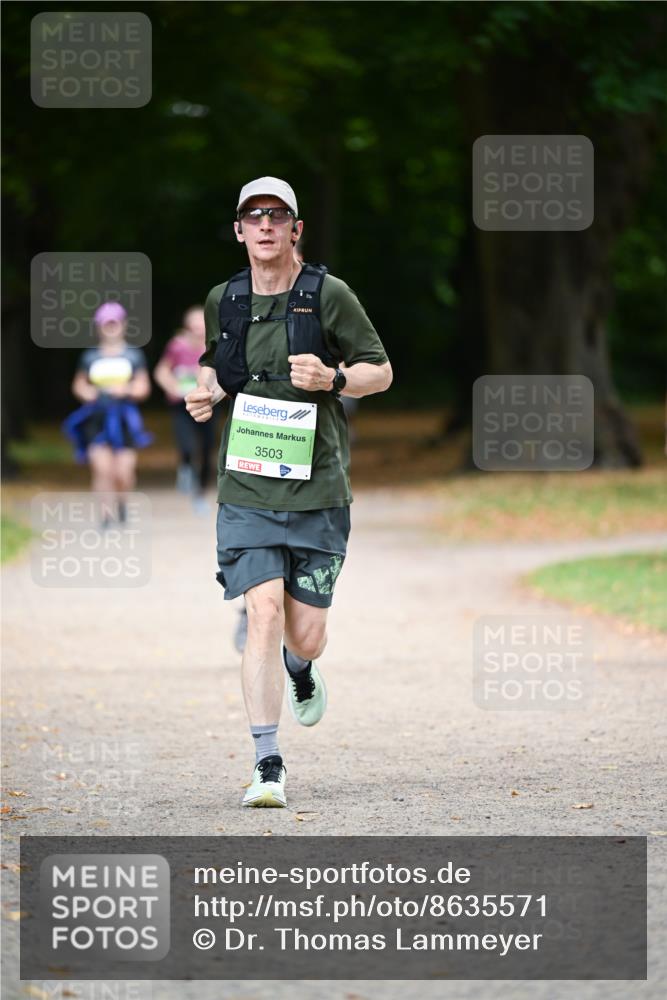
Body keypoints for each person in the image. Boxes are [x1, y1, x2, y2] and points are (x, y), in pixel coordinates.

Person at [186, 176, 392, 808]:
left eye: (278, 216)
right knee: (263, 614)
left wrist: (333, 377)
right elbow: (217, 365)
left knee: (303, 637)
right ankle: (266, 762)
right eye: (255, 216)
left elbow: (379, 371)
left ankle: (301, 670)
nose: (266, 225)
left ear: (296, 228)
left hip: (319, 488)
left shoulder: (328, 295)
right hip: (247, 483)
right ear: (240, 230)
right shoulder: (226, 298)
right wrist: (206, 391)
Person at [62, 301, 152, 526]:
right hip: (97, 418)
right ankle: (105, 515)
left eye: (114, 323)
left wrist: (127, 390)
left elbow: (144, 388)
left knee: (123, 472)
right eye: (106, 324)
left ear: (123, 325)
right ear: (99, 326)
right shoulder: (89, 357)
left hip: (124, 419)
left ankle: (121, 502)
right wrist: (87, 393)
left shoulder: (134, 355)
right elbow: (78, 385)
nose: (110, 327)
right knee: (102, 469)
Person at [153, 306, 220, 513]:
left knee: (208, 448)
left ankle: (200, 493)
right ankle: (185, 467)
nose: (199, 330)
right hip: (181, 405)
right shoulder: (177, 346)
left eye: (202, 325)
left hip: (207, 403)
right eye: (195, 326)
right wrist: (172, 387)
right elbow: (161, 371)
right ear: (187, 327)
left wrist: (216, 392)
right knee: (188, 445)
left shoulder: (215, 345)